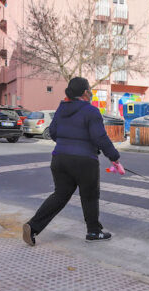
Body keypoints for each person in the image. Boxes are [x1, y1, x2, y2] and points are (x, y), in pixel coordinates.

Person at [23, 77, 120, 246]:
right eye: (89, 89)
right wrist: (114, 156)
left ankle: (33, 226)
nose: (90, 92)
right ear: (85, 92)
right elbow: (99, 137)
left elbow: (53, 132)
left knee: (60, 195)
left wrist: (66, 143)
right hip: (84, 161)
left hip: (59, 159)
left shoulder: (61, 109)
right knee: (89, 196)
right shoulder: (91, 111)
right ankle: (93, 232)